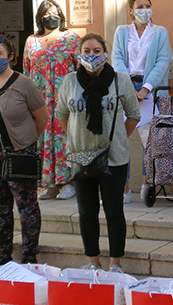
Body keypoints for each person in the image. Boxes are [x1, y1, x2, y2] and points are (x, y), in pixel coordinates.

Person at [56, 34, 140, 271]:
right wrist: (76, 136)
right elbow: (62, 114)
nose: (91, 55)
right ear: (79, 53)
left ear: (105, 53)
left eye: (96, 50)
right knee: (86, 212)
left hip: (114, 158)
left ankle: (115, 263)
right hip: (80, 156)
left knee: (114, 211)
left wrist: (118, 138)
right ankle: (92, 261)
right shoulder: (70, 81)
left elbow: (134, 114)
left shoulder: (119, 80)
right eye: (86, 50)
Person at [0, 35, 48, 266]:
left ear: (10, 57)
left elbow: (42, 119)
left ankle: (28, 254)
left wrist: (26, 143)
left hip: (18, 153)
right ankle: (3, 254)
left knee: (26, 205)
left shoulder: (25, 84)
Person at [110, 0, 172, 203]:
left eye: (147, 6)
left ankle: (148, 184)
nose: (145, 10)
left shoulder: (159, 32)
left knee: (150, 141)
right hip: (125, 88)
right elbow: (117, 59)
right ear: (130, 10)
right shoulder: (121, 32)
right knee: (119, 140)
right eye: (140, 7)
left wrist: (145, 89)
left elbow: (162, 62)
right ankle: (123, 188)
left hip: (150, 90)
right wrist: (128, 87)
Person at [24, 0, 81, 201]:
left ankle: (70, 183)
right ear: (40, 17)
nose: (51, 16)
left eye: (55, 12)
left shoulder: (72, 38)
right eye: (46, 13)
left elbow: (80, 70)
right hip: (40, 102)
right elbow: (26, 71)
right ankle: (50, 185)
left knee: (66, 140)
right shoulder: (31, 41)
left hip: (66, 100)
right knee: (44, 141)